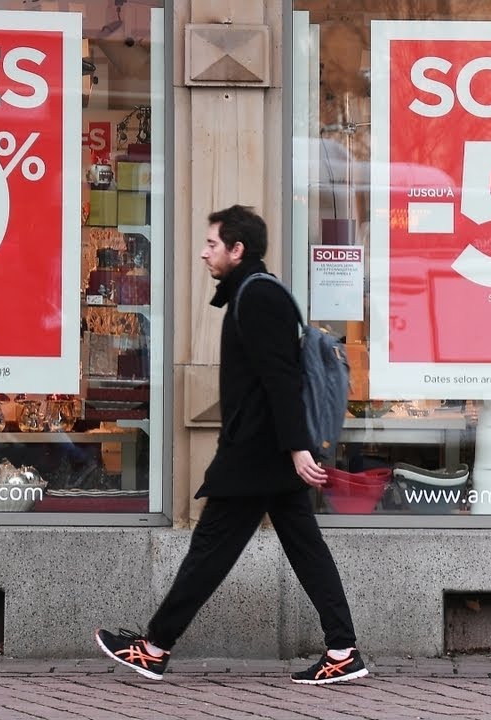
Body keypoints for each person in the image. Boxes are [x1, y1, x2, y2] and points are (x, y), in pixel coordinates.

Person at [95, 205, 367, 685]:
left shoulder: (258, 296)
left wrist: (298, 448)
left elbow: (280, 380)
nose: (204, 253)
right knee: (303, 548)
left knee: (211, 550)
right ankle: (343, 650)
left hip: (257, 456)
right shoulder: (254, 291)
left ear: (237, 250)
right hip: (265, 454)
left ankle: (155, 647)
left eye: (212, 244)